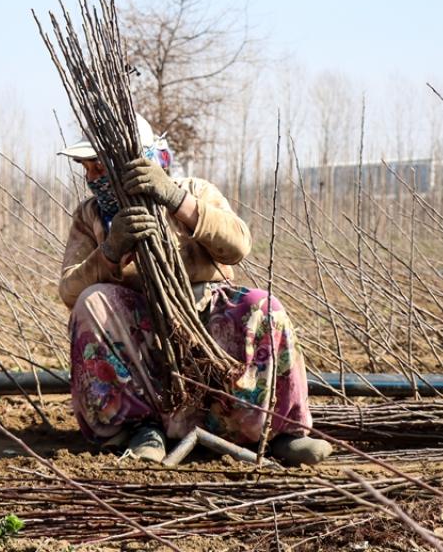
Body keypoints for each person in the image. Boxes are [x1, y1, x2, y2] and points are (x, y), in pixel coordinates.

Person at [57, 118, 331, 466]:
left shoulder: (196, 191)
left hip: (206, 317)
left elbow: (238, 245)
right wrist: (110, 250)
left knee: (263, 307)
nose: (91, 177)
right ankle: (135, 431)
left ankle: (277, 433)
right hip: (139, 331)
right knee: (92, 302)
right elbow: (69, 289)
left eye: (100, 167)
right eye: (87, 168)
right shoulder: (90, 216)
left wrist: (175, 200)